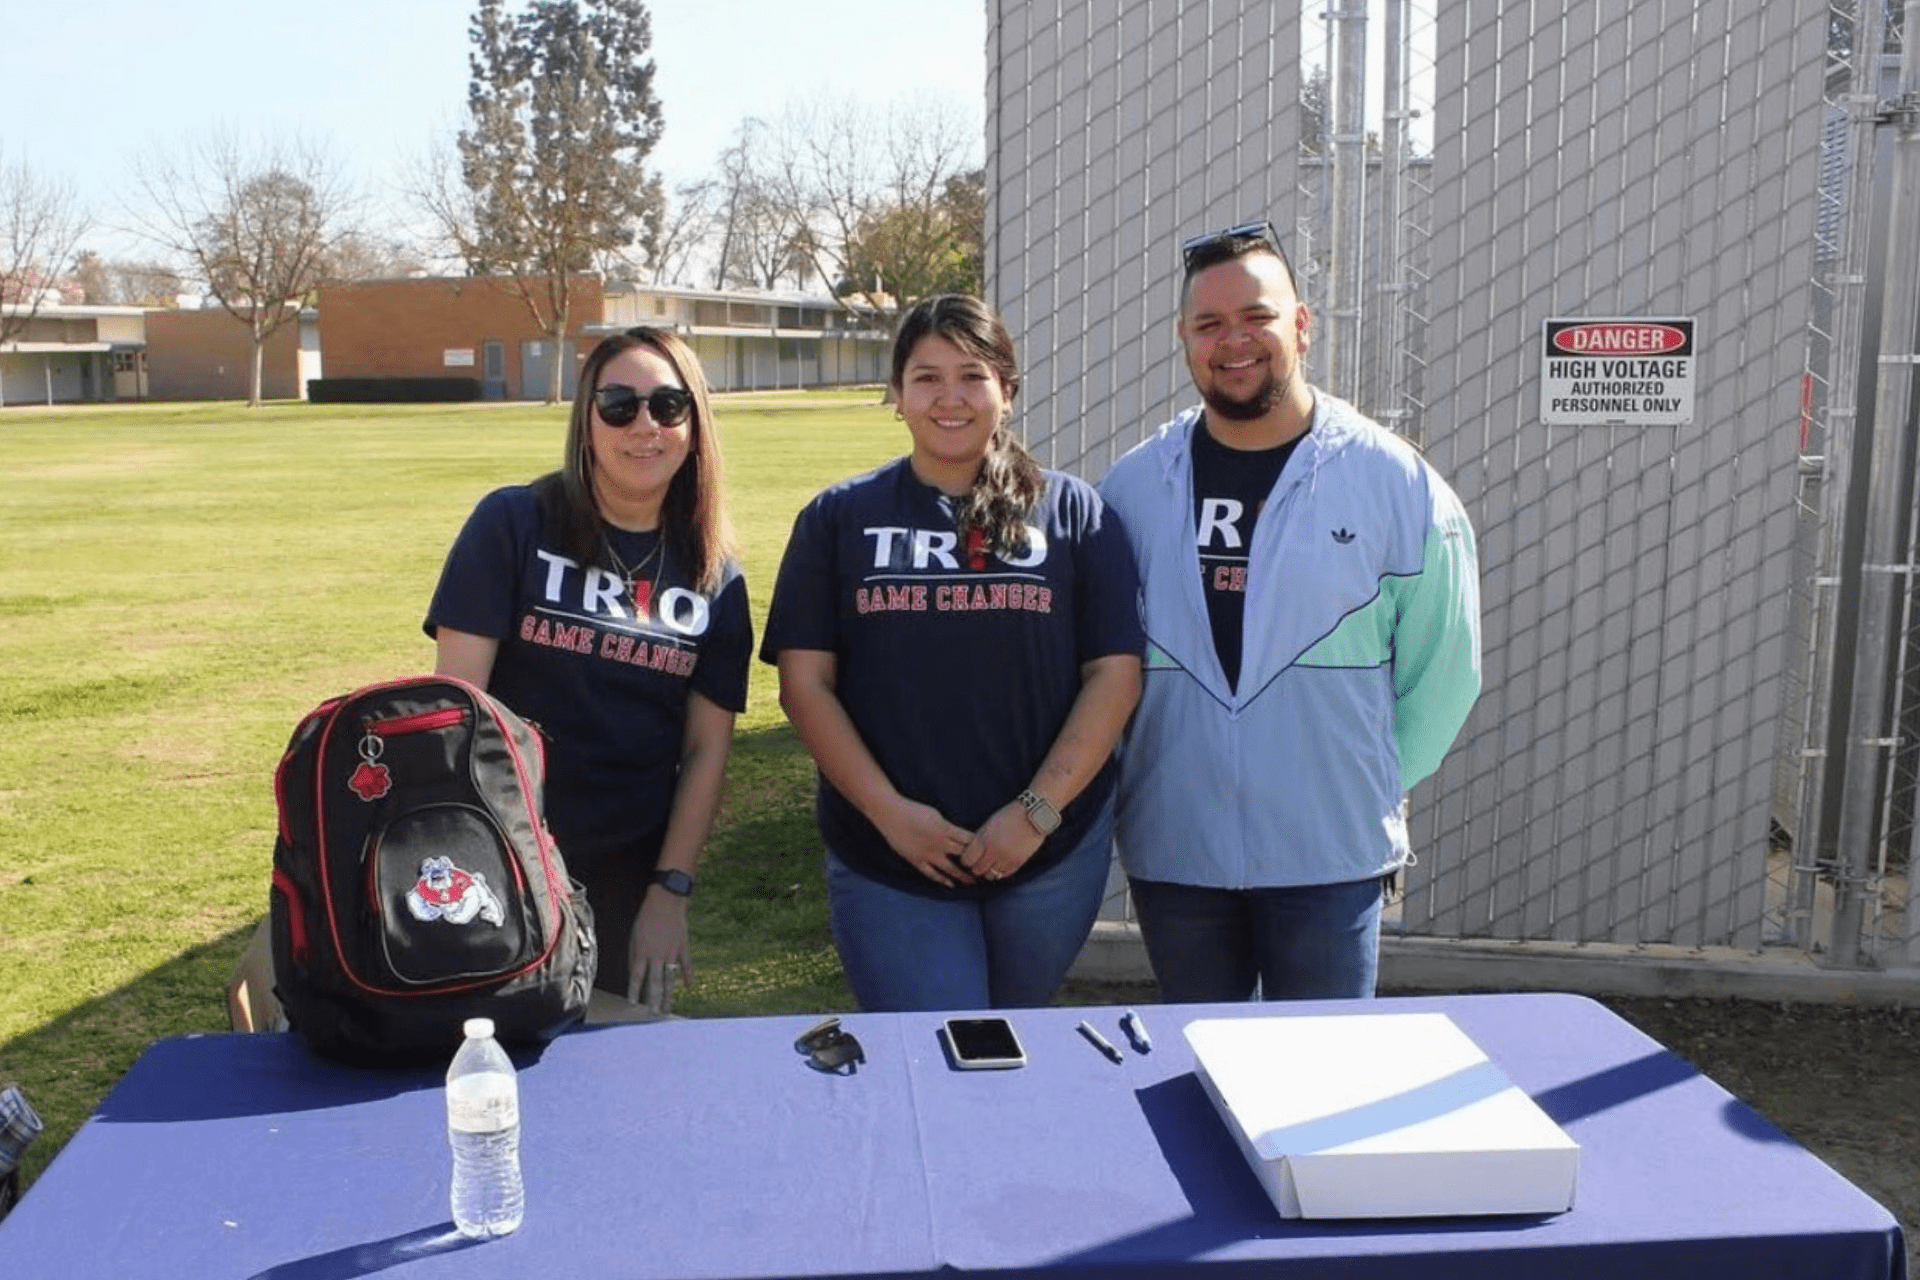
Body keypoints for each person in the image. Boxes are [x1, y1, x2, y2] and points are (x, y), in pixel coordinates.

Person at [1097, 219, 1481, 1003]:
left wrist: (1353, 787)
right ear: (1184, 339)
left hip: (1329, 857)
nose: (1233, 342)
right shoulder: (1133, 489)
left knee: (1321, 1084)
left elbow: (1446, 675)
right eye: (1209, 324)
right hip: (1180, 849)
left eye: (1257, 317)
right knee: (1199, 1065)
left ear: (1301, 326)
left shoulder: (1395, 485)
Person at [762, 294, 1143, 1012]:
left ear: (1007, 388)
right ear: (897, 394)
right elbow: (805, 684)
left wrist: (1034, 812)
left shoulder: (1075, 513)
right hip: (890, 857)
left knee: (1011, 1047)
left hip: (1046, 855)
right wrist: (891, 816)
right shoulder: (839, 517)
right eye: (927, 377)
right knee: (937, 1052)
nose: (950, 398)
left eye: (971, 376)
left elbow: (1115, 675)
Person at [425, 327, 752, 1016]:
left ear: (694, 425)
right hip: (504, 854)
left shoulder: (715, 576)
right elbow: (457, 711)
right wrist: (488, 857)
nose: (644, 426)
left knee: (621, 1073)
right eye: (618, 404)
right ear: (587, 418)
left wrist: (671, 890)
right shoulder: (514, 523)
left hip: (628, 875)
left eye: (667, 406)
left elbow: (705, 749)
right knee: (489, 1046)